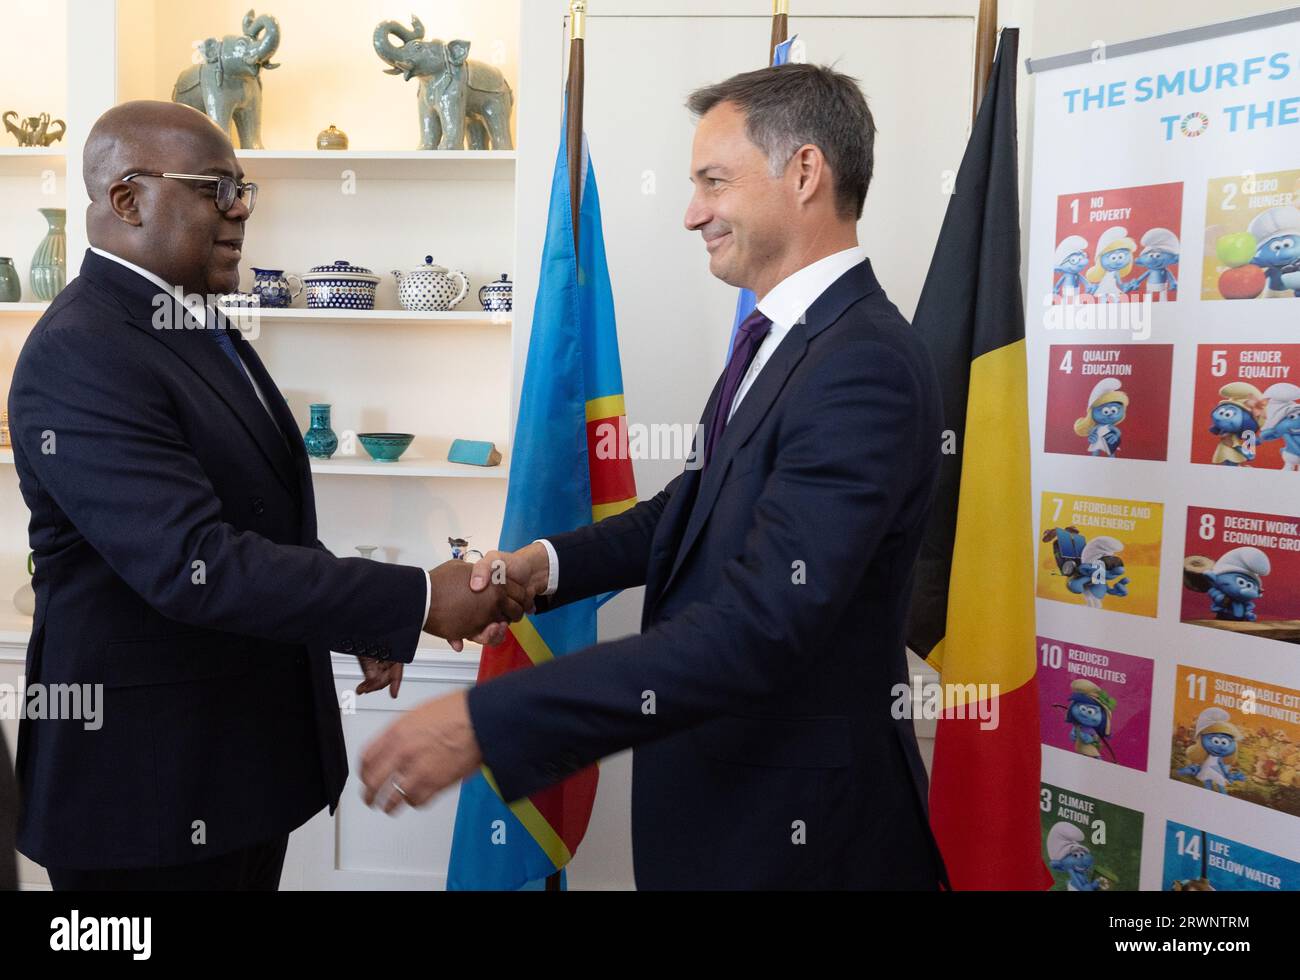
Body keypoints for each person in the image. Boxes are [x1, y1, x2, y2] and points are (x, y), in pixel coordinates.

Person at [361, 64, 949, 890]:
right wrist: (543, 566)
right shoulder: (785, 337)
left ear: (805, 173)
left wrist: (489, 719)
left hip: (799, 841)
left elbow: (758, 628)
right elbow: (692, 507)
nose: (692, 212)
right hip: (722, 813)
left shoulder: (864, 368)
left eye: (714, 181)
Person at [6, 101, 527, 890]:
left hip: (235, 774)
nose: (241, 210)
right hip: (144, 797)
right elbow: (193, 562)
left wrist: (362, 615)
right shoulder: (84, 350)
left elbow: (257, 516)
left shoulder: (193, 325)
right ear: (127, 198)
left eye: (244, 189)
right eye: (216, 189)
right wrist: (416, 598)